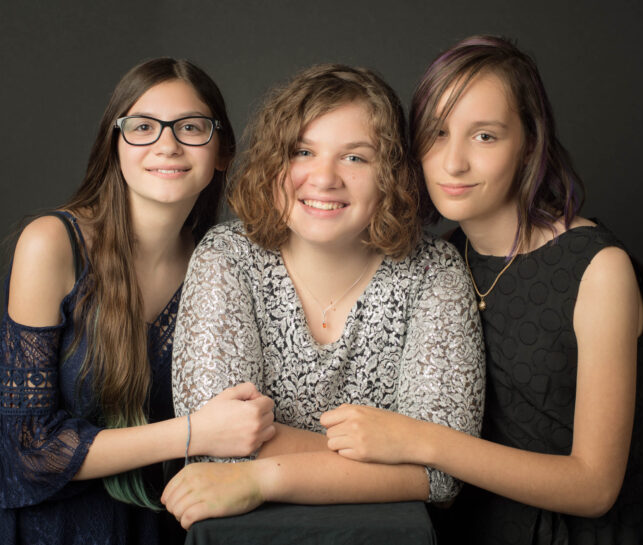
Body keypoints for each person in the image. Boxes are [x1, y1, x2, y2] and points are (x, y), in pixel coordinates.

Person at [320, 36, 643, 543]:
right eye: (436, 133)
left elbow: (594, 486)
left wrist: (421, 440)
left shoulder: (599, 270)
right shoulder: (441, 260)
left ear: (528, 144)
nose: (453, 163)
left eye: (485, 137)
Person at [162, 63, 486, 529]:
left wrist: (263, 476)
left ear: (390, 174)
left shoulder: (434, 271)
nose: (324, 177)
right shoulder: (227, 257)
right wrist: (395, 454)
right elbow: (218, 444)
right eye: (302, 152)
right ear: (275, 163)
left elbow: (442, 475)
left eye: (355, 157)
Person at [0, 58, 276, 545]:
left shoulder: (221, 266)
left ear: (223, 152)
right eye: (143, 127)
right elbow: (28, 450)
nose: (166, 144)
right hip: (55, 530)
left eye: (190, 127)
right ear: (115, 145)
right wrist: (196, 432)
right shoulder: (52, 243)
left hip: (167, 525)